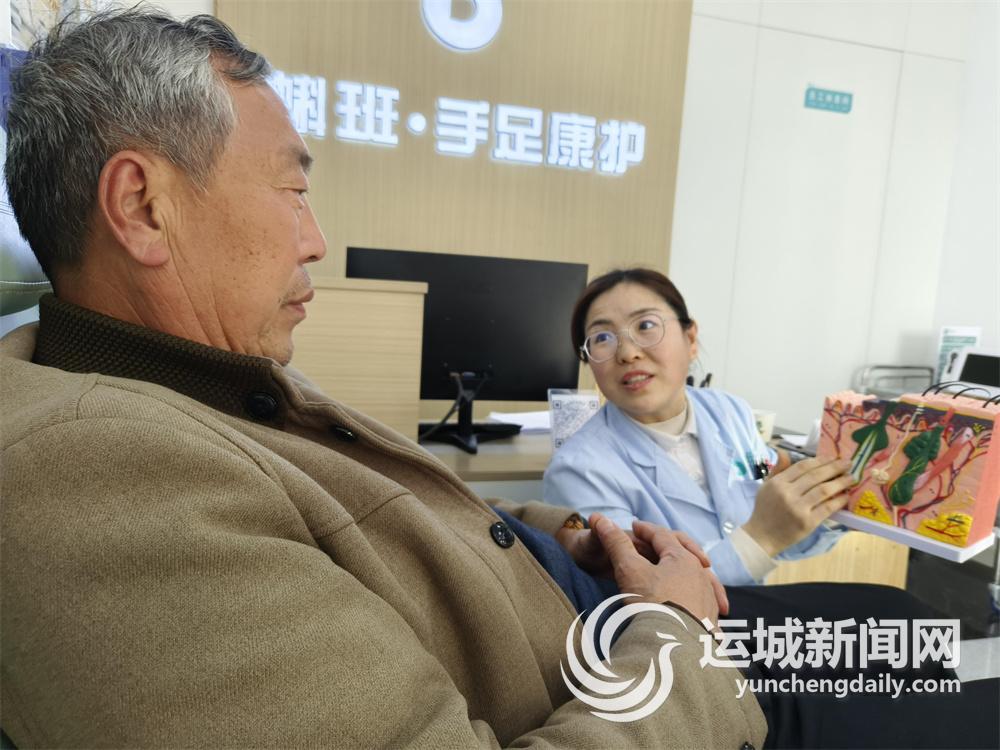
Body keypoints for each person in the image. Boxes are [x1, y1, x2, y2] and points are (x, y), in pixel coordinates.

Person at [0, 11, 758, 748]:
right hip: (653, 687)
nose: (316, 240)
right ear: (142, 207)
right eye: (293, 192)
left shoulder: (211, 384)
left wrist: (566, 535)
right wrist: (676, 633)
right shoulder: (93, 480)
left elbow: (387, 518)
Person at [544, 268, 848, 585]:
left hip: (755, 606)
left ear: (690, 339)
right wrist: (760, 538)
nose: (628, 353)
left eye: (646, 325)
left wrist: (829, 506)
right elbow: (642, 592)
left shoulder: (730, 411)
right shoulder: (577, 472)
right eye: (602, 338)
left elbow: (757, 472)